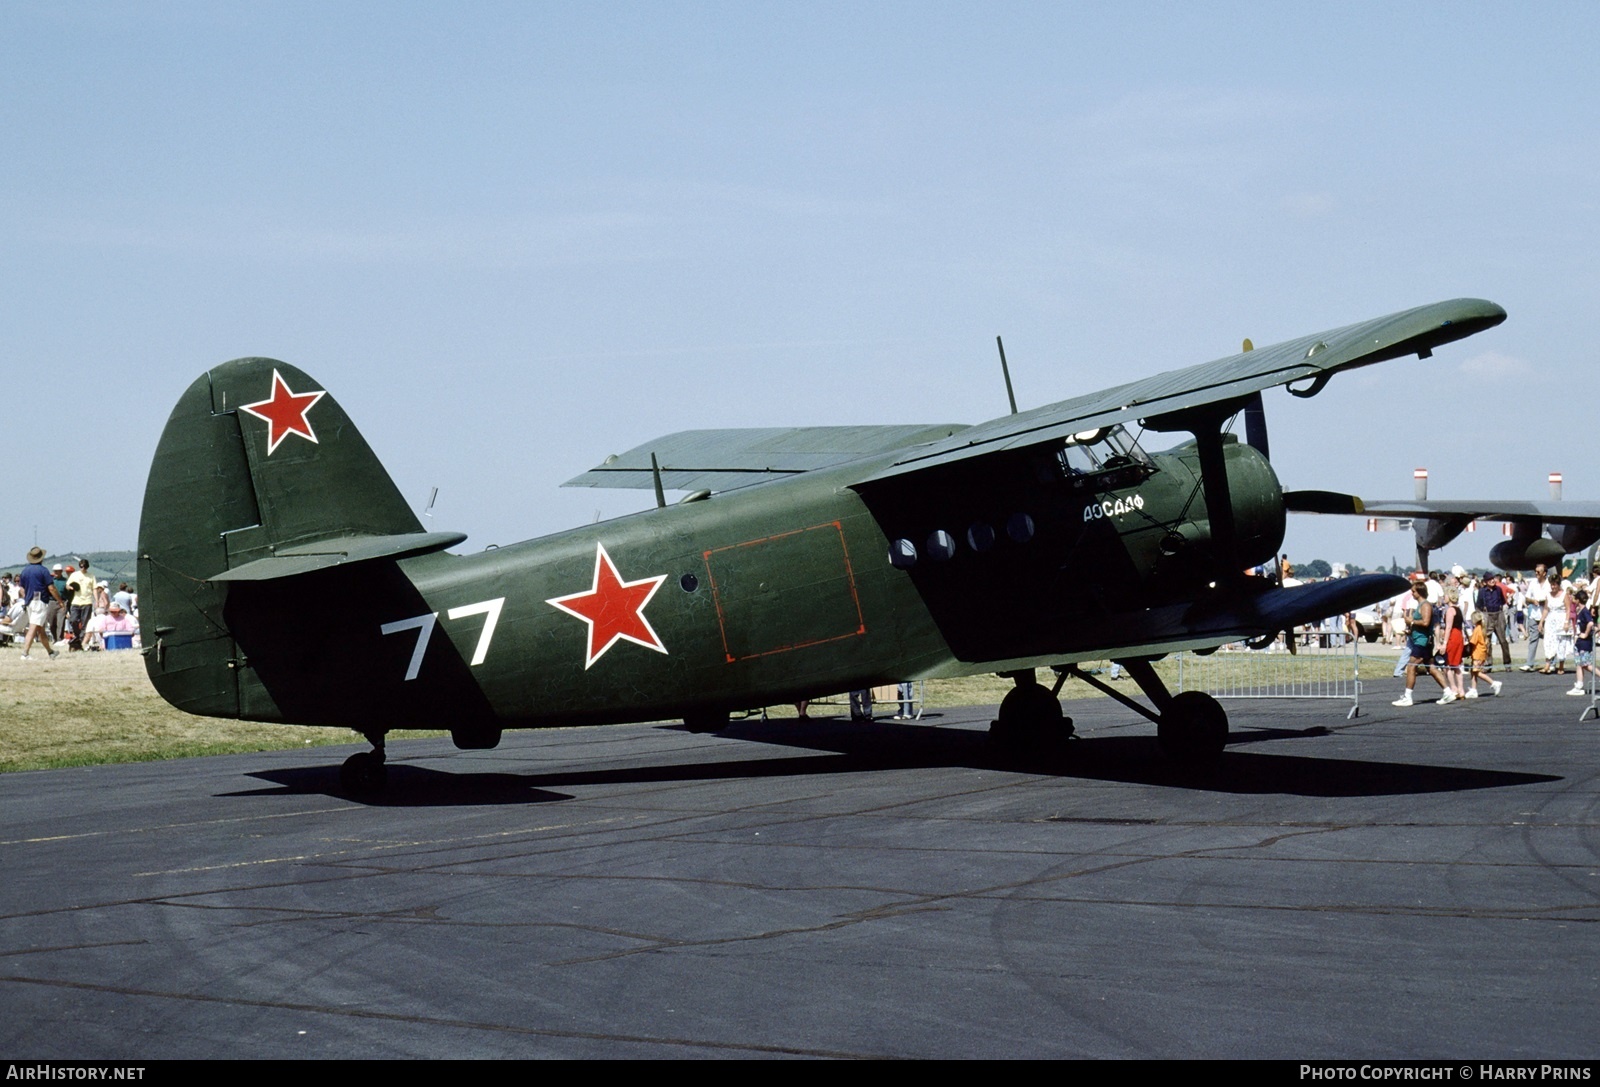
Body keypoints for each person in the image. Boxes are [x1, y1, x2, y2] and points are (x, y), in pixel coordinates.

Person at [1394, 580, 1451, 706]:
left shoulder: (1425, 605)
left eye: (1413, 591)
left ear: (1419, 592)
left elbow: (1425, 622)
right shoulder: (1420, 606)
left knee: (1411, 666)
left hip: (1423, 641)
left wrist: (1412, 622)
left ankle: (1407, 697)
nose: (1412, 594)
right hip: (1419, 639)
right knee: (1431, 668)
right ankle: (1447, 692)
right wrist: (1410, 630)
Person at [18, 547, 62, 660]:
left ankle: (50, 652)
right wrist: (60, 601)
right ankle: (25, 653)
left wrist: (27, 598)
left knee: (40, 629)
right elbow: (51, 588)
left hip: (29, 602)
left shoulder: (25, 571)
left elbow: (21, 589)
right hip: (40, 601)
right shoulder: (43, 571)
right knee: (33, 627)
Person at [1465, 611, 1503, 698]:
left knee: (1477, 672)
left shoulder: (1477, 629)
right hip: (1481, 653)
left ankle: (1493, 683)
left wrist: (1468, 635)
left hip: (1478, 654)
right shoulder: (1482, 628)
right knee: (1473, 671)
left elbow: (1473, 641)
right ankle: (1473, 690)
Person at [1570, 589, 1592, 696]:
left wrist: (1586, 634)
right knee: (1579, 664)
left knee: (1587, 665)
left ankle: (1579, 684)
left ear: (1578, 600)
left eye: (1575, 599)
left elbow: (1590, 623)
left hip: (1584, 643)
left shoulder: (1585, 612)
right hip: (1579, 642)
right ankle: (1579, 684)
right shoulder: (1580, 611)